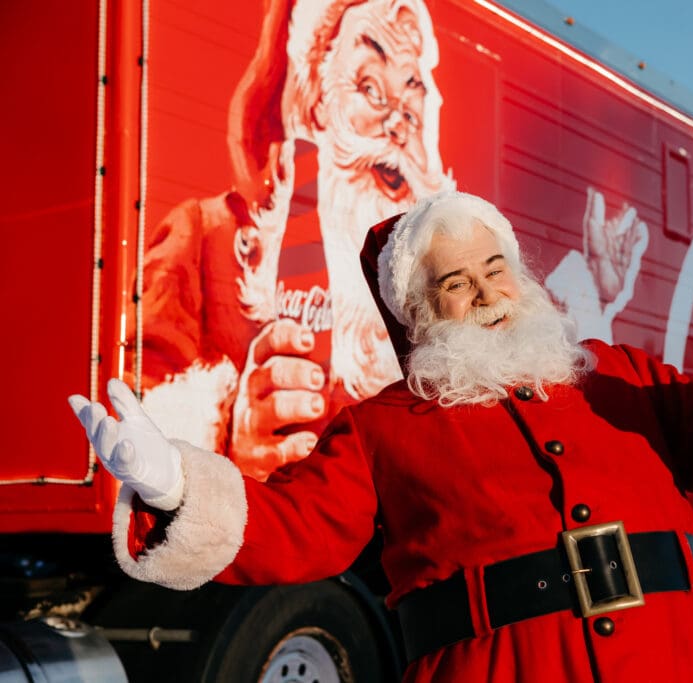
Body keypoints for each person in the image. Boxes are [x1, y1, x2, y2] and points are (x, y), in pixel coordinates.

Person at [71, 191, 693, 681]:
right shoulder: (383, 425)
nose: (485, 292)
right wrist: (174, 486)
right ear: (418, 312)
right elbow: (295, 528)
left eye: (495, 266)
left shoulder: (611, 372)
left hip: (690, 661)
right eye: (455, 281)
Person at [132, 0, 453, 480]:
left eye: (412, 97)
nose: (397, 124)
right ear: (317, 102)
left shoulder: (440, 282)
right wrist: (230, 450)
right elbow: (133, 437)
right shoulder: (204, 237)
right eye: (370, 88)